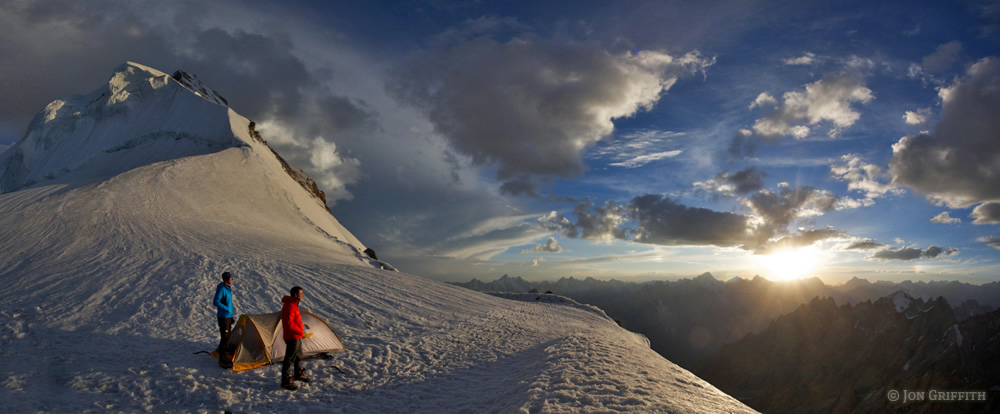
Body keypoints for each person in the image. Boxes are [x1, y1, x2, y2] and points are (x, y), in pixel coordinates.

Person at [280, 286, 311, 390]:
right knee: (289, 359)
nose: (302, 296)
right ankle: (285, 381)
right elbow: (289, 324)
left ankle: (298, 374)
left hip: (297, 336)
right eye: (301, 294)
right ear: (296, 295)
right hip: (292, 336)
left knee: (298, 356)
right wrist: (300, 331)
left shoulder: (293, 305)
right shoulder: (289, 306)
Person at [213, 271, 235, 368]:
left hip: (227, 316)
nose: (232, 279)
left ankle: (225, 355)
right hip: (223, 317)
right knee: (224, 337)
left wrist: (230, 316)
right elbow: (216, 301)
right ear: (226, 279)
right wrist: (226, 309)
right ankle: (222, 358)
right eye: (230, 277)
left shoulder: (227, 288)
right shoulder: (222, 288)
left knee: (227, 336)